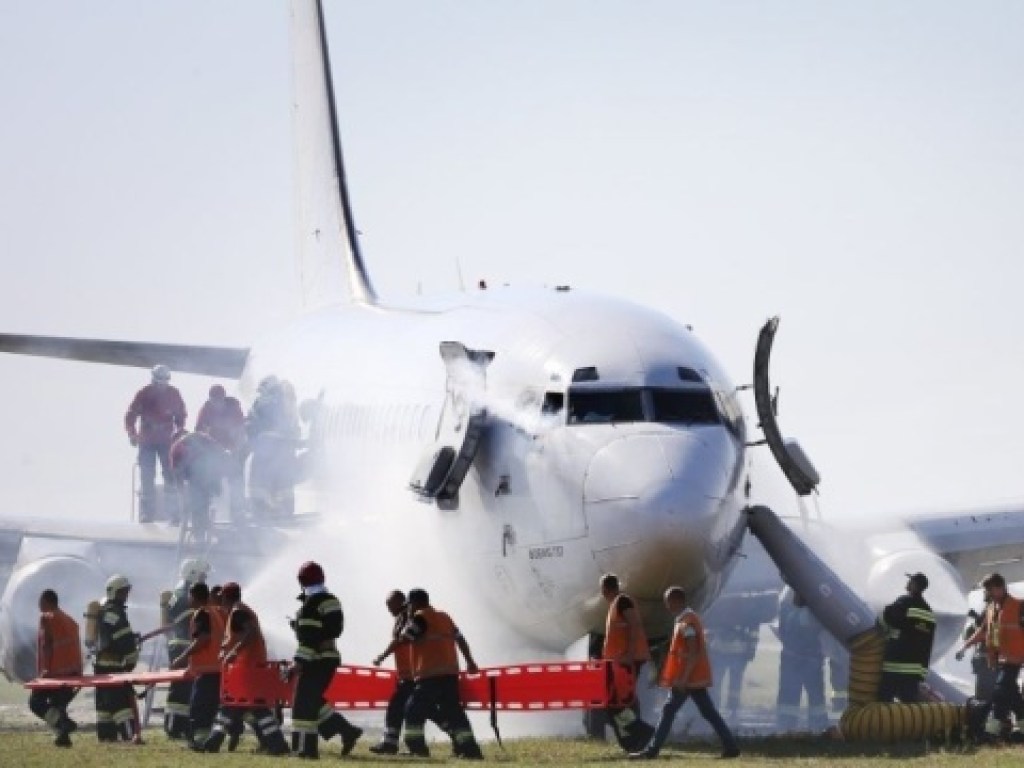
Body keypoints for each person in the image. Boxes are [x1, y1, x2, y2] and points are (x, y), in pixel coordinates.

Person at [628, 586, 739, 760]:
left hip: (687, 679)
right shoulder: (685, 620)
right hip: (691, 678)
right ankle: (731, 746)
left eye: (668, 602)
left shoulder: (686, 623)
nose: (667, 606)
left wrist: (683, 678)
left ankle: (652, 750)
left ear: (676, 601)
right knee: (708, 712)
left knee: (669, 711)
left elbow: (693, 651)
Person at [201, 582, 289, 755]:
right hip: (247, 668)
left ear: (226, 597)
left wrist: (233, 652)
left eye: (221, 598)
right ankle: (276, 745)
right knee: (244, 707)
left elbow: (251, 632)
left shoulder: (238, 612)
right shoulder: (240, 611)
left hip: (247, 669)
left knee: (235, 706)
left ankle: (212, 743)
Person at [288, 561, 362, 759]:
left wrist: (298, 663)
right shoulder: (330, 600)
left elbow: (310, 638)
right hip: (327, 659)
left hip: (315, 660)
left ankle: (304, 751)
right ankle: (347, 731)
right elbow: (333, 630)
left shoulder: (310, 604)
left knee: (303, 704)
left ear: (301, 582)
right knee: (311, 701)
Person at [400, 588, 483, 759]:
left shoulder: (420, 617)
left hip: (429, 676)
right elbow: (460, 638)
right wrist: (470, 661)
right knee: (454, 713)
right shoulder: (444, 617)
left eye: (409, 605)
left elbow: (405, 637)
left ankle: (417, 749)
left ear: (415, 603)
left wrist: (407, 619)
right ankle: (470, 750)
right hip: (450, 675)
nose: (408, 609)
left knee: (412, 711)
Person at [371, 590, 451, 755]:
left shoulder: (410, 617)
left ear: (401, 602)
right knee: (404, 709)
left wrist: (382, 656)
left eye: (391, 605)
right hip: (406, 675)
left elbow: (400, 640)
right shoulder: (402, 618)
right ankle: (390, 743)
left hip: (413, 675)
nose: (389, 609)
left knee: (420, 710)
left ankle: (451, 730)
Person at [957, 573, 1024, 739]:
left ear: (1001, 587)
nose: (987, 593)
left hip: (1016, 657)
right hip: (1000, 659)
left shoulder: (1019, 606)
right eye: (986, 589)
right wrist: (965, 646)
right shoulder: (990, 609)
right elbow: (983, 632)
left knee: (1000, 690)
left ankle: (992, 729)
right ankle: (1022, 726)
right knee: (1012, 694)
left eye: (990, 589)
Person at [599, 573, 655, 753]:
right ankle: (635, 738)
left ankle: (639, 732)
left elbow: (634, 624)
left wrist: (629, 654)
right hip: (620, 661)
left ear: (605, 590)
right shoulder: (616, 605)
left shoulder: (622, 602)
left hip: (628, 660)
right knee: (622, 700)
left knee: (616, 702)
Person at [125, 364, 186, 522]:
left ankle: (174, 514)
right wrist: (132, 434)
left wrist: (179, 433)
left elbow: (181, 415)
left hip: (167, 442)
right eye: (159, 381)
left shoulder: (174, 394)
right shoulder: (144, 394)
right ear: (153, 379)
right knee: (147, 477)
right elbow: (130, 416)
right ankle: (147, 514)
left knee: (170, 476)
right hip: (147, 442)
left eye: (165, 381)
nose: (162, 384)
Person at [170, 581, 226, 749]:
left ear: (193, 596)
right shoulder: (215, 612)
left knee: (199, 708)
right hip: (217, 668)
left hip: (207, 670)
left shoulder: (202, 613)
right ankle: (207, 740)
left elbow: (202, 639)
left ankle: (199, 742)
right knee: (210, 708)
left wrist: (182, 657)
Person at [28, 589, 82, 747]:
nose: (38, 605)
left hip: (56, 673)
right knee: (59, 707)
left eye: (40, 602)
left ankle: (64, 726)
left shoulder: (47, 618)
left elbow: (47, 646)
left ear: (47, 602)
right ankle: (63, 738)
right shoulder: (70, 620)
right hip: (72, 673)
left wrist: (45, 670)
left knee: (35, 702)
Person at [162, 558, 209, 739]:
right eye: (203, 575)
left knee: (184, 688)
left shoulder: (179, 592)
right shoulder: (186, 596)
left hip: (180, 644)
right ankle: (174, 727)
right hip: (183, 645)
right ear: (193, 574)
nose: (205, 578)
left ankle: (178, 726)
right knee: (181, 689)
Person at [93, 574, 141, 743]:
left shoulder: (104, 611)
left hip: (99, 666)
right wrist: (131, 660)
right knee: (120, 705)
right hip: (112, 667)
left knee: (104, 705)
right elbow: (124, 640)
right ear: (114, 592)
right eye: (123, 592)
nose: (125, 595)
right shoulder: (115, 613)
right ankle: (129, 735)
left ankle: (106, 736)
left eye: (126, 592)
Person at [246, 376, 301, 519]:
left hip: (266, 448)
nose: (260, 393)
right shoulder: (289, 402)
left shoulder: (263, 403)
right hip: (285, 449)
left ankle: (261, 510)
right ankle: (285, 509)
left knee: (259, 481)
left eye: (262, 390)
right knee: (284, 481)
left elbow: (253, 424)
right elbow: (294, 426)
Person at [878, 572, 936, 703]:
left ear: (914, 585)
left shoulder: (904, 602)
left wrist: (885, 611)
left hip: (895, 665)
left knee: (883, 703)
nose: (907, 583)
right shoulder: (929, 612)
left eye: (910, 581)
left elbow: (888, 619)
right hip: (914, 669)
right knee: (909, 708)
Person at [775, 590, 829, 731]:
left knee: (811, 697)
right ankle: (811, 727)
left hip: (799, 658)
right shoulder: (811, 608)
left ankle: (790, 726)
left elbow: (783, 632)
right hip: (802, 658)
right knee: (806, 696)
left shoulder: (787, 607)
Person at [196, 384, 247, 520]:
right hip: (214, 450)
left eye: (219, 400)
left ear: (223, 399)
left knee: (236, 478)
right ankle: (213, 512)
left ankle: (238, 512)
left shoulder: (234, 407)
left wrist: (236, 449)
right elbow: (199, 431)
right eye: (214, 401)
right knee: (212, 480)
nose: (216, 404)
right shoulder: (206, 409)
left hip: (232, 449)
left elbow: (241, 429)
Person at [170, 428, 229, 537]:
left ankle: (199, 530)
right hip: (210, 469)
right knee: (202, 500)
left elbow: (178, 479)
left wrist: (183, 502)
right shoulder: (202, 437)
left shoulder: (176, 448)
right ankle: (202, 525)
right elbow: (220, 452)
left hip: (202, 471)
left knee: (198, 501)